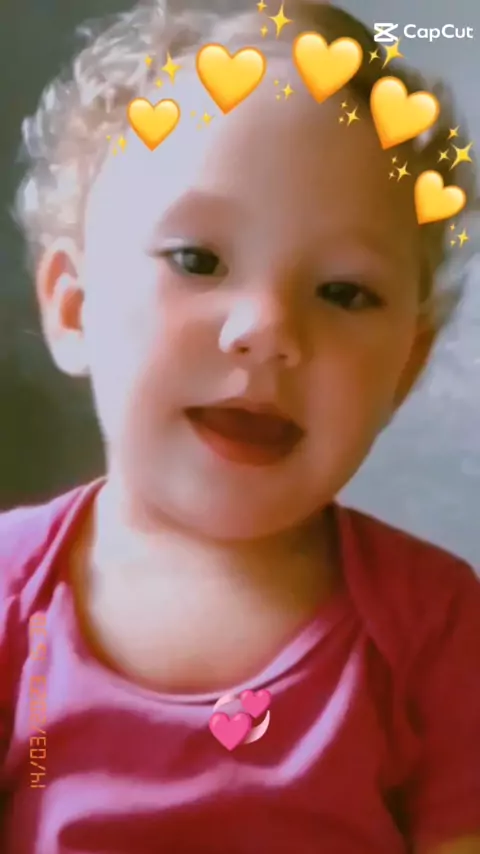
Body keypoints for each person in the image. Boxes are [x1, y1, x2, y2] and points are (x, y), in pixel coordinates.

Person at [1, 1, 479, 851]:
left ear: (403, 369)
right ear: (74, 310)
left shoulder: (438, 626)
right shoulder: (11, 596)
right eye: (199, 260)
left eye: (343, 292)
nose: (266, 330)